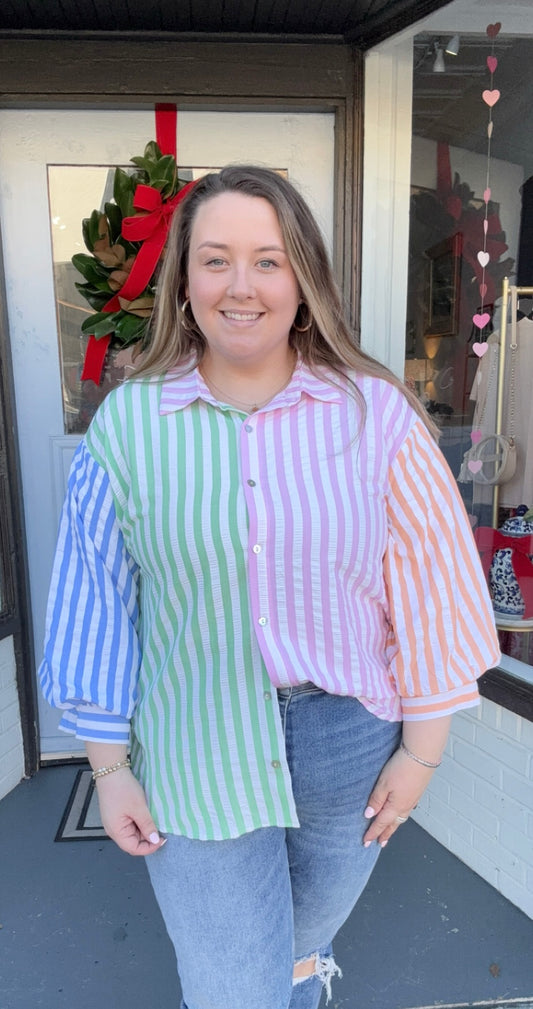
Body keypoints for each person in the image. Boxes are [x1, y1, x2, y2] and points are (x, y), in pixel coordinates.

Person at [39, 164, 500, 1009]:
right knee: (230, 987)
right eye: (215, 260)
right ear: (183, 281)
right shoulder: (130, 426)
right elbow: (95, 603)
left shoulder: (374, 414)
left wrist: (421, 750)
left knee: (295, 946)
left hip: (348, 743)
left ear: (302, 280)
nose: (240, 286)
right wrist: (109, 771)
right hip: (192, 738)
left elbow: (430, 586)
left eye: (268, 260)